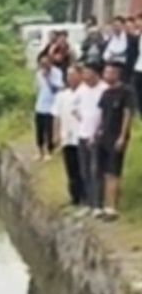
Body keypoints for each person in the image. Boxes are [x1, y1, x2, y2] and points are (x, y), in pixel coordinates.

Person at [97, 62, 133, 222]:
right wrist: (98, 131)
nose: (106, 75)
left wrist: (122, 136)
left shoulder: (126, 92)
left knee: (113, 172)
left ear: (117, 74)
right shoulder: (105, 93)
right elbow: (101, 115)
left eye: (109, 72)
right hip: (104, 137)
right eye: (105, 72)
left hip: (116, 136)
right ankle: (106, 205)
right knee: (105, 172)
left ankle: (112, 208)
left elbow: (127, 114)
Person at [74, 65, 107, 217]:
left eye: (89, 74)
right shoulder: (81, 89)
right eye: (84, 74)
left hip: (99, 135)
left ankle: (98, 204)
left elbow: (106, 115)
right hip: (82, 134)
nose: (86, 77)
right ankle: (88, 202)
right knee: (84, 170)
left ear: (96, 74)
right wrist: (82, 120)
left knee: (97, 170)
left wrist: (97, 131)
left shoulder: (104, 89)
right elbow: (74, 108)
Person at [54, 66, 84, 207]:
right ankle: (75, 197)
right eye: (68, 75)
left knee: (82, 167)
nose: (70, 78)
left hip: (81, 136)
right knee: (71, 168)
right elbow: (57, 116)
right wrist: (56, 135)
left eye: (73, 75)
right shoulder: (62, 96)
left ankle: (85, 197)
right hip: (67, 137)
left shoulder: (84, 93)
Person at [34, 56, 63, 159]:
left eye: (46, 64)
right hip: (40, 105)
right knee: (39, 129)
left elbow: (56, 90)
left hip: (51, 106)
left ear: (50, 63)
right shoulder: (38, 74)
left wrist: (47, 78)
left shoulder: (57, 73)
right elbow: (38, 89)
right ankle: (39, 150)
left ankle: (49, 151)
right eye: (42, 64)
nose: (44, 67)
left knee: (49, 129)